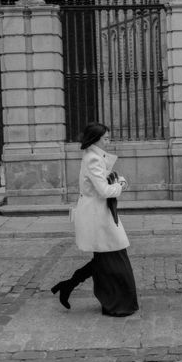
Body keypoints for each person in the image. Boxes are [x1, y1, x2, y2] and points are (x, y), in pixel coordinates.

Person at [51, 122, 139, 317]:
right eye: (105, 138)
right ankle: (116, 302)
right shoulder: (93, 159)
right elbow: (104, 190)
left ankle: (68, 286)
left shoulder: (95, 157)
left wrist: (116, 179)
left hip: (100, 214)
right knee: (111, 260)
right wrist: (121, 185)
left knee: (107, 259)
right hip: (96, 216)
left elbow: (105, 178)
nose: (108, 141)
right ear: (95, 139)